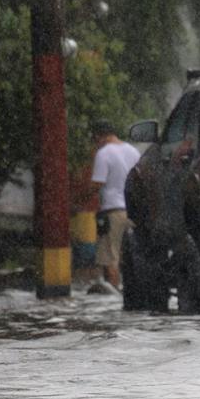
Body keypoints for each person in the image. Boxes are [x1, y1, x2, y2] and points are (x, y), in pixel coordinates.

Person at [86, 125, 140, 297]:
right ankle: (132, 293)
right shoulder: (133, 151)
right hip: (133, 211)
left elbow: (98, 183)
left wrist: (81, 197)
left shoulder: (104, 153)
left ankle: (114, 296)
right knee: (131, 256)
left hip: (112, 211)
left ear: (99, 136)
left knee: (110, 257)